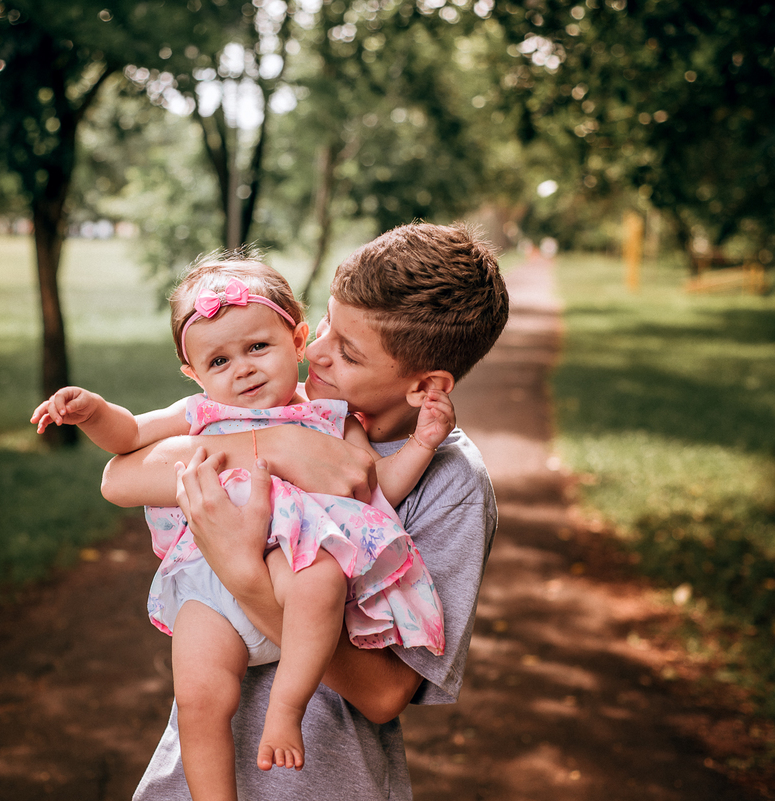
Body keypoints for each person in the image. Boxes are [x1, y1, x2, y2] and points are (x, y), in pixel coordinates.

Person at [99, 222, 510, 801]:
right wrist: (280, 447)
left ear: (425, 386)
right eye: (324, 327)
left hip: (322, 784)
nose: (313, 351)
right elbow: (120, 474)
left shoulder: (451, 485)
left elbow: (385, 693)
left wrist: (244, 577)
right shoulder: (280, 412)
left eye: (346, 351)